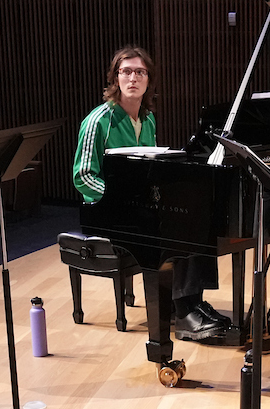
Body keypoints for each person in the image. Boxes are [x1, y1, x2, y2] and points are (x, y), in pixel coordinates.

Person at [70, 44, 234, 343]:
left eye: (140, 72)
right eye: (126, 72)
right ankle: (184, 310)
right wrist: (120, 200)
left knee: (197, 213)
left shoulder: (147, 119)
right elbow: (82, 176)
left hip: (138, 204)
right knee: (174, 226)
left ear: (149, 80)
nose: (133, 78)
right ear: (115, 78)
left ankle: (192, 302)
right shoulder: (99, 121)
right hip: (106, 209)